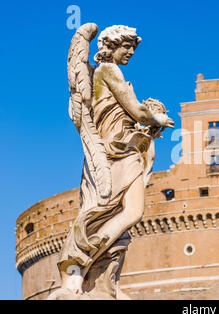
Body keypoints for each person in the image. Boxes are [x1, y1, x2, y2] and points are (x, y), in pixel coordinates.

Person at [58, 25, 174, 293]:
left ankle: (90, 270)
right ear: (111, 47)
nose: (131, 52)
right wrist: (157, 118)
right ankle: (81, 261)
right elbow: (135, 109)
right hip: (118, 149)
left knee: (120, 211)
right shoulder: (108, 71)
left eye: (134, 47)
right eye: (127, 46)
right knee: (124, 210)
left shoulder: (103, 73)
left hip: (124, 147)